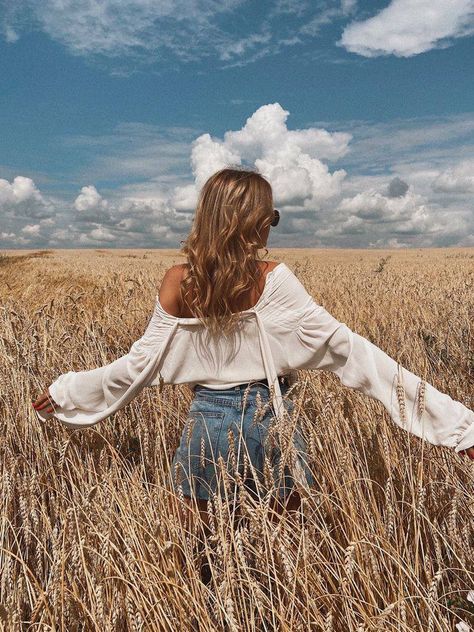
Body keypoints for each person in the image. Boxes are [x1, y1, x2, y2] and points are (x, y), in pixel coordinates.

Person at [33, 167, 474, 537]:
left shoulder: (177, 281)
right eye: (271, 217)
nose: (272, 226)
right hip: (271, 420)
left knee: (198, 555)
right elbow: (353, 352)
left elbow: (137, 367)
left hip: (205, 423)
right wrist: (458, 427)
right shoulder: (275, 280)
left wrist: (70, 392)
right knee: (284, 561)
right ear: (252, 222)